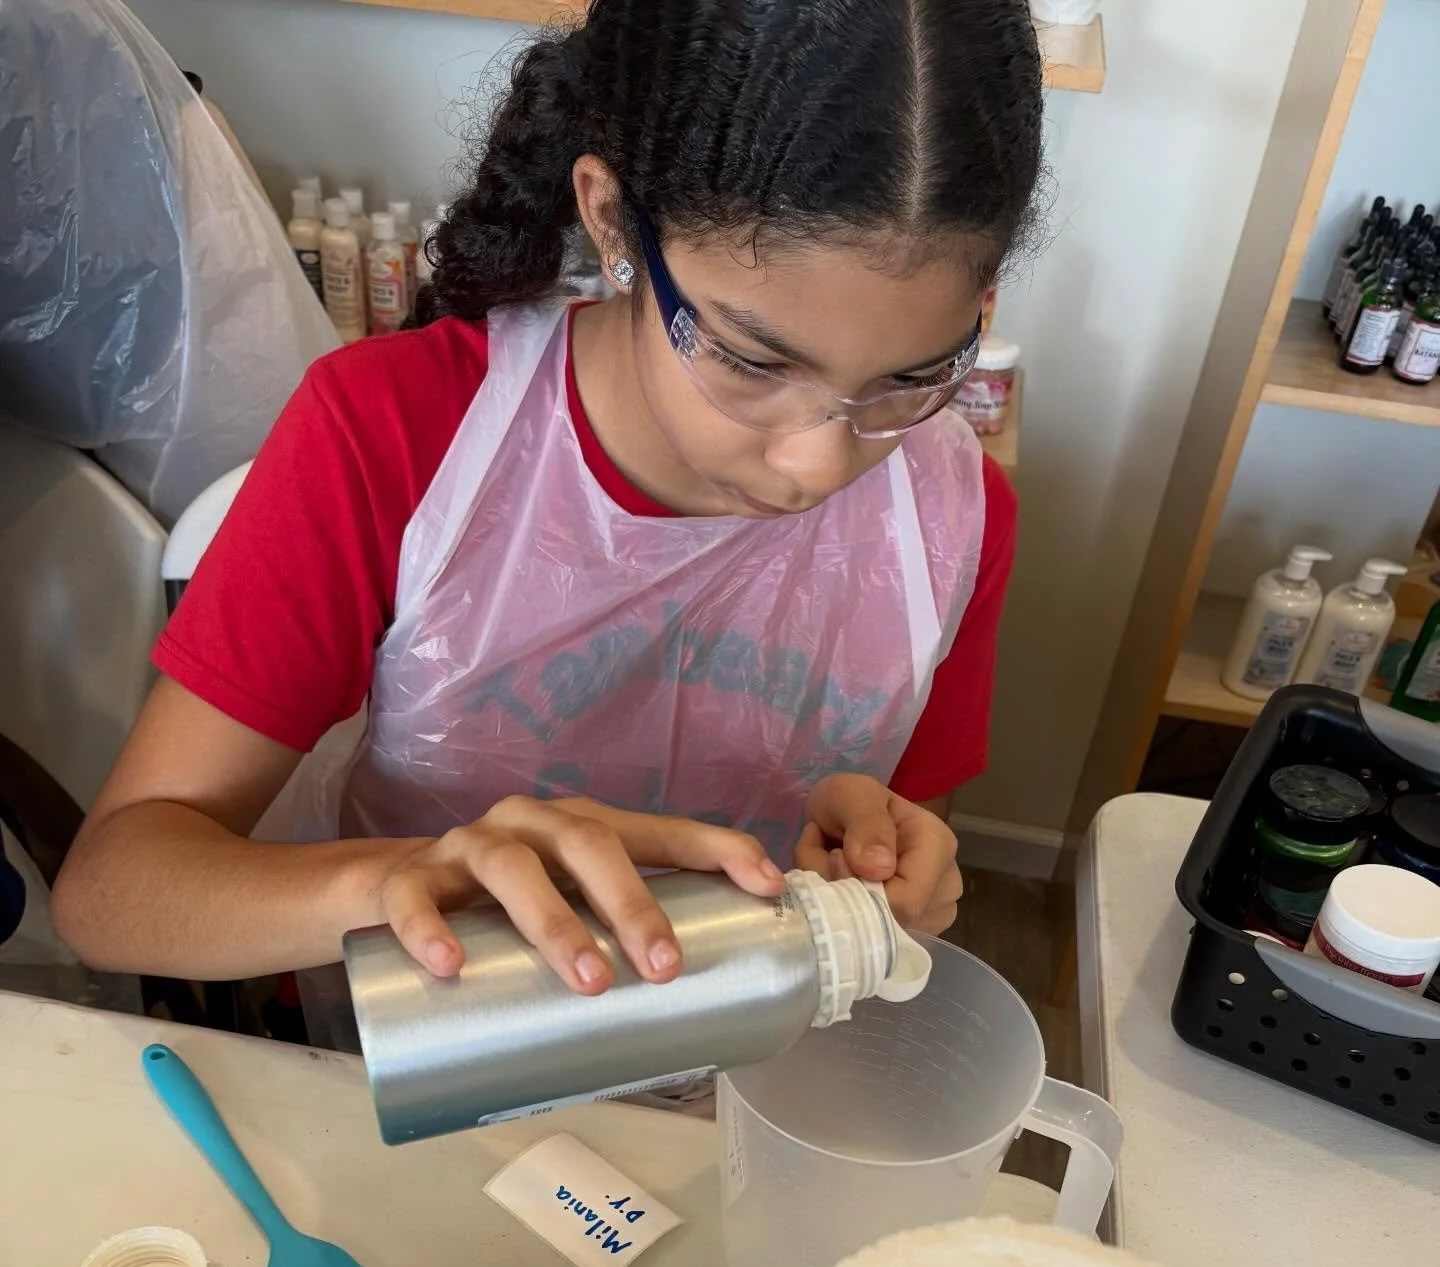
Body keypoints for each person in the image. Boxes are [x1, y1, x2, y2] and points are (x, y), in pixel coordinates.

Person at [53, 0, 1043, 1022]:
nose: (819, 462)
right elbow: (113, 891)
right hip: (434, 1056)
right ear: (612, 222)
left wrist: (891, 872)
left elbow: (908, 838)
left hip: (752, 1072)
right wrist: (403, 881)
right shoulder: (394, 435)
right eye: (751, 361)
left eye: (914, 375)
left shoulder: (948, 520)